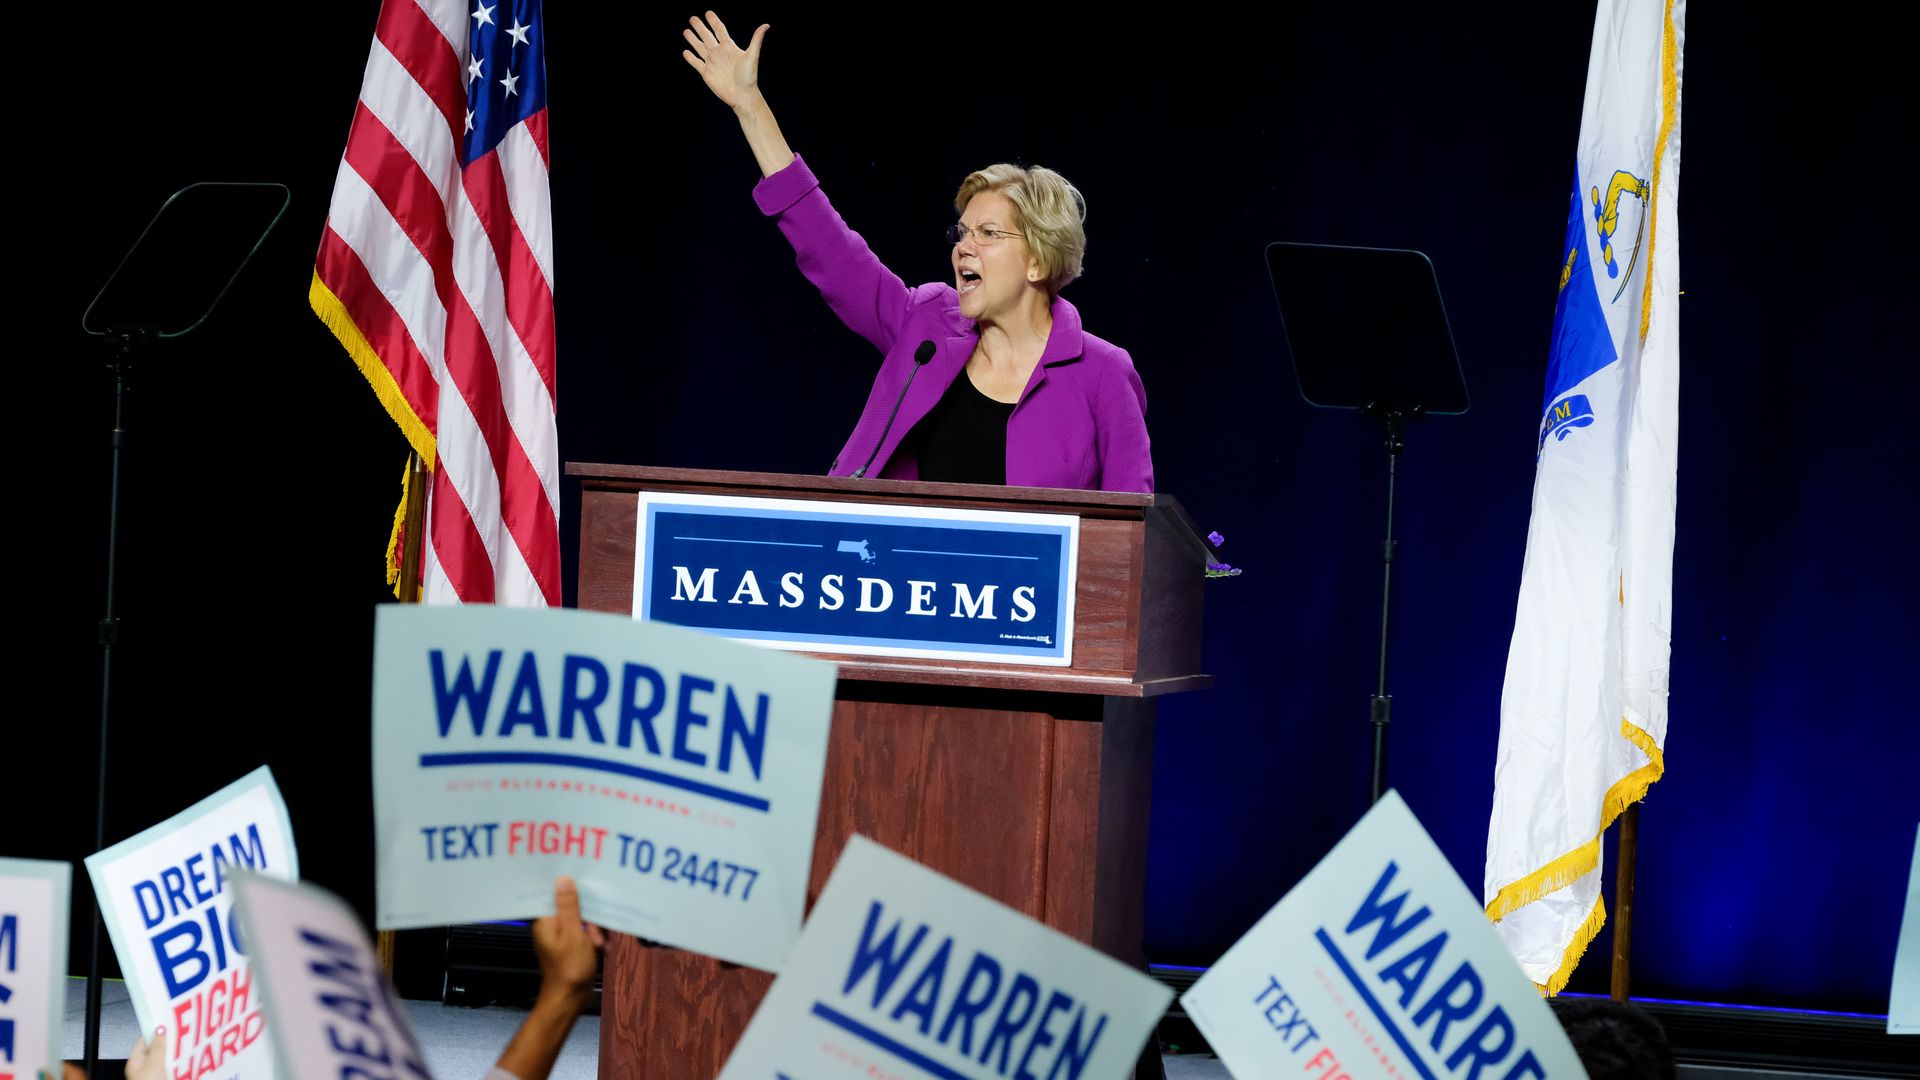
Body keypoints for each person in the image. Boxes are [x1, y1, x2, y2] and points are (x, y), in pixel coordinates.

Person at [681, 12, 1154, 493]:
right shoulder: (927, 325)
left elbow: (1132, 537)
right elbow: (832, 251)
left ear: (1038, 260)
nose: (964, 247)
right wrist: (749, 106)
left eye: (988, 233)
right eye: (963, 231)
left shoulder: (1102, 375)